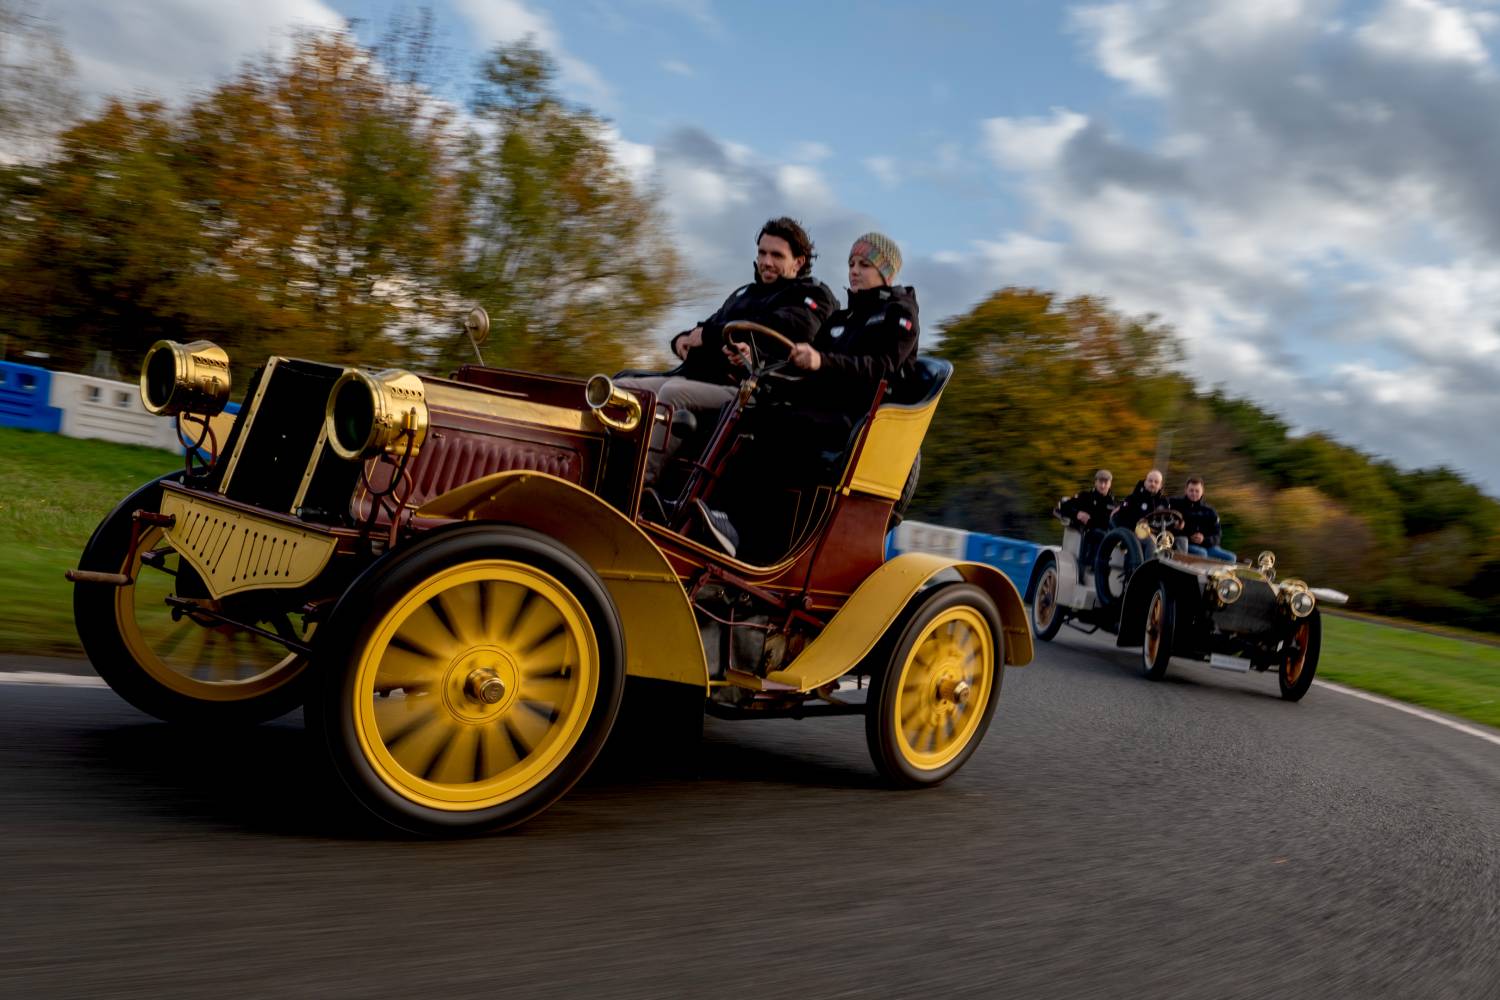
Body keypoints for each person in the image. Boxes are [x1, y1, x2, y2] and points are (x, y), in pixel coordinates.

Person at [696, 232, 920, 558]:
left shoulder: (898, 314)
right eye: (851, 264)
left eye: (865, 265)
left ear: (887, 273)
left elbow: (883, 368)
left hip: (860, 420)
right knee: (744, 413)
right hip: (821, 408)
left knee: (776, 429)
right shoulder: (842, 319)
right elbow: (805, 366)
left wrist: (821, 361)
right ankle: (709, 515)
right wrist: (756, 358)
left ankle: (746, 540)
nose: (854, 271)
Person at [618, 217, 838, 485]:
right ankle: (600, 471)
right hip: (701, 377)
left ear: (799, 262)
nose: (766, 261)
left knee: (673, 395)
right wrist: (681, 340)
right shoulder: (744, 294)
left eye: (777, 255)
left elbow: (785, 330)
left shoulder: (812, 296)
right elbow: (706, 327)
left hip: (753, 391)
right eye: (762, 253)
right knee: (620, 388)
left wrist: (711, 336)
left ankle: (638, 487)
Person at [1056, 469, 1116, 582]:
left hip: (1107, 535)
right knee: (1101, 535)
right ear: (1096, 482)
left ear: (1110, 484)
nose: (1103, 485)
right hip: (1088, 533)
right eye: (1100, 482)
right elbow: (1064, 506)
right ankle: (1089, 569)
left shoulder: (1113, 504)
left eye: (1106, 482)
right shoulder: (1086, 497)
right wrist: (1077, 513)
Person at [1170, 475, 1236, 562]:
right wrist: (1189, 536)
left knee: (1231, 557)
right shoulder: (1175, 504)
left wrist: (1204, 540)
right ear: (1186, 490)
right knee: (1201, 553)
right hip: (1186, 544)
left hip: (1207, 546)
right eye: (1191, 490)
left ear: (1202, 492)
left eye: (1197, 491)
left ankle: (1219, 575)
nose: (1194, 493)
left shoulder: (1210, 511)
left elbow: (1217, 535)